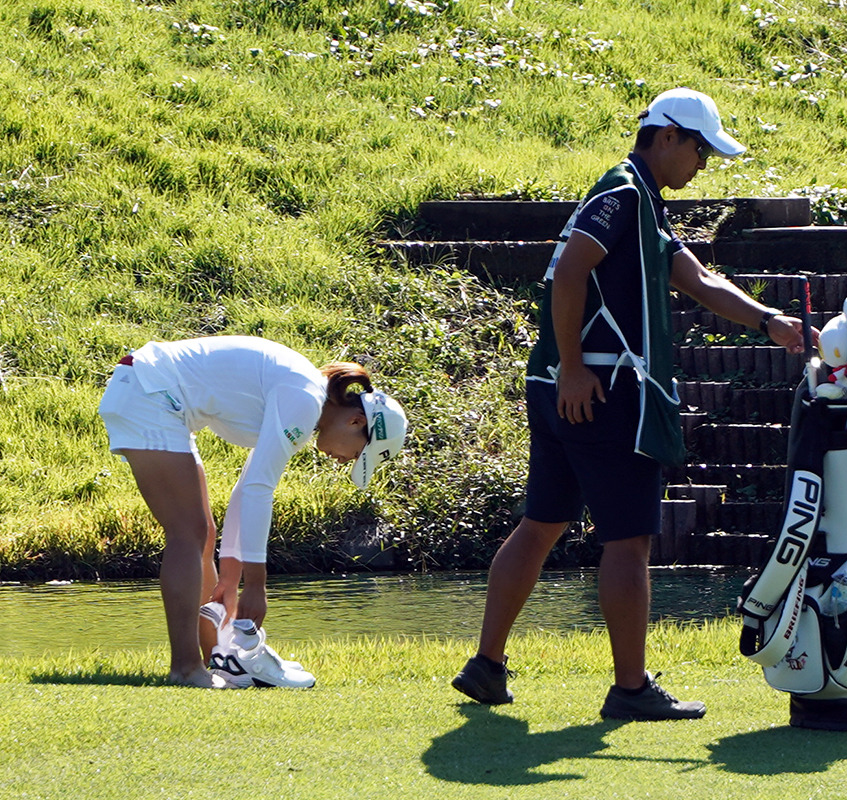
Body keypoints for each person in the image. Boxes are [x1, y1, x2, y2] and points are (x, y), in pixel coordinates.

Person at [452, 88, 811, 720]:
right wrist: (572, 367)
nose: (702, 165)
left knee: (541, 525)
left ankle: (487, 665)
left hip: (566, 387)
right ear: (667, 136)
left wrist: (769, 322)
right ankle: (631, 688)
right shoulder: (622, 195)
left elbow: (697, 279)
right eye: (700, 149)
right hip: (598, 390)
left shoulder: (643, 202)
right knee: (629, 540)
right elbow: (569, 271)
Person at [98, 335, 407, 687]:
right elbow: (260, 489)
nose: (345, 461)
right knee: (188, 533)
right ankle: (185, 669)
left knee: (202, 536)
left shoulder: (305, 397)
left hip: (154, 392)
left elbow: (245, 489)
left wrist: (231, 577)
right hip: (150, 393)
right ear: (355, 423)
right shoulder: (305, 400)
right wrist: (256, 586)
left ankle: (221, 659)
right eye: (356, 455)